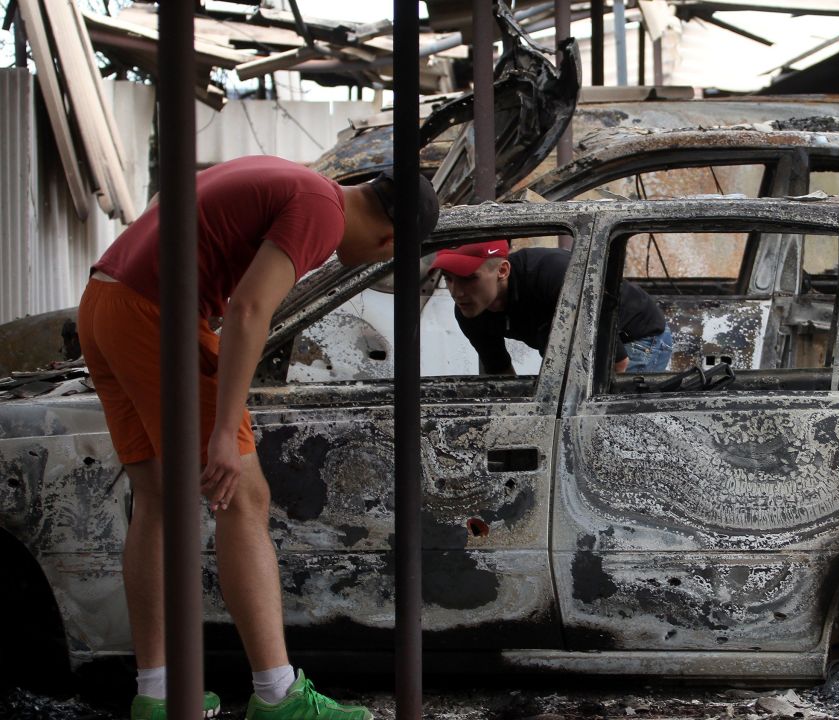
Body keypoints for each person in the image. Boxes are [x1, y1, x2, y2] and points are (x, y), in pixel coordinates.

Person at [77, 156, 438, 720]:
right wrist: (224, 428)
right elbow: (248, 309)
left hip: (103, 303)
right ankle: (277, 696)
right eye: (391, 254)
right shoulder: (323, 211)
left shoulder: (290, 176)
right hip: (156, 316)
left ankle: (158, 693)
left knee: (157, 501)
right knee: (244, 498)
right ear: (391, 237)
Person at [430, 240, 672, 375]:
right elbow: (501, 373)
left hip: (637, 338)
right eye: (448, 278)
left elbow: (617, 363)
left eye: (469, 278)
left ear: (502, 271)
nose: (457, 292)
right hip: (580, 348)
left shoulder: (554, 276)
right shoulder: (469, 311)